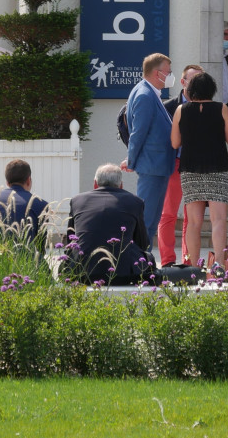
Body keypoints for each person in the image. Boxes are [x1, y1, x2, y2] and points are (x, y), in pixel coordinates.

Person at [63, 163, 202, 285]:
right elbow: (142, 242)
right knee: (148, 259)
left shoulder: (77, 200)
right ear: (121, 185)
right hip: (123, 274)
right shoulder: (134, 202)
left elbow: (70, 241)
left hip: (81, 272)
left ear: (95, 184)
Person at [170, 70, 228, 277]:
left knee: (193, 222)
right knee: (219, 220)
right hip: (217, 167)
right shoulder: (222, 109)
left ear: (191, 90)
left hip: (190, 168)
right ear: (212, 90)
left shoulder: (181, 110)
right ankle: (218, 263)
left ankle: (194, 266)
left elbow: (174, 143)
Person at [122, 53, 177, 252]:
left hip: (157, 166)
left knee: (151, 220)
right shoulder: (145, 94)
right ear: (157, 73)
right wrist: (132, 160)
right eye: (168, 72)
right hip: (152, 166)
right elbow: (138, 132)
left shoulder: (149, 92)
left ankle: (145, 261)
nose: (171, 76)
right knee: (146, 220)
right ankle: (138, 263)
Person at [157, 63, 202, 266]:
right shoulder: (167, 107)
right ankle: (167, 261)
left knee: (191, 217)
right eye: (193, 80)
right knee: (168, 214)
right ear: (183, 82)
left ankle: (188, 261)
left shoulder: (206, 106)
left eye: (201, 80)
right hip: (173, 164)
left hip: (195, 166)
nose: (197, 84)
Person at [0, 159, 49, 244]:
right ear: (29, 180)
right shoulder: (41, 205)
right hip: (29, 256)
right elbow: (41, 246)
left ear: (7, 182)